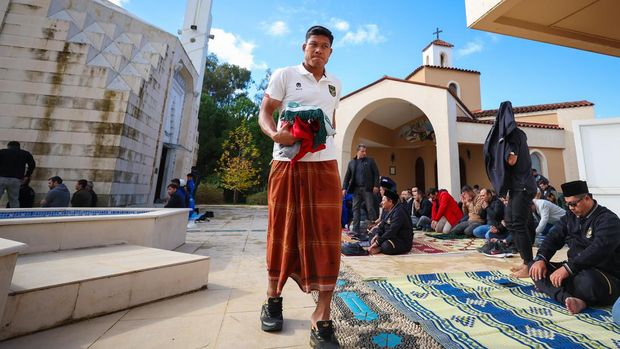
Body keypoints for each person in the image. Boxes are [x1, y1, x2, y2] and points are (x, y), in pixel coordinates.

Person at [257, 25, 341, 348]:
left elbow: (333, 121)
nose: (318, 50)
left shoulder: (336, 84)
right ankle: (272, 298)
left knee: (328, 237)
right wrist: (275, 134)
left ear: (330, 52)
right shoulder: (284, 75)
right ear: (303, 47)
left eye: (324, 46)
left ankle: (322, 317)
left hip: (324, 167)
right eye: (313, 45)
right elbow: (265, 112)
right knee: (281, 232)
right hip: (286, 164)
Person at [529, 180, 620, 315]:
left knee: (587, 283)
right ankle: (568, 298)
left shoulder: (608, 219)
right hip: (574, 270)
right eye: (568, 204)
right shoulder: (570, 217)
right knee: (535, 268)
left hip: (602, 274)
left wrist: (568, 268)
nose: (571, 208)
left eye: (573, 204)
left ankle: (558, 291)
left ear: (587, 198)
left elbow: (598, 249)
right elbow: (553, 237)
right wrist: (541, 258)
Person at [484, 101, 538, 278]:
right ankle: (526, 261)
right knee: (516, 222)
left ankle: (529, 264)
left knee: (516, 223)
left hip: (522, 186)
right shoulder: (515, 134)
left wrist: (499, 158)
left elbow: (512, 159)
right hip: (519, 186)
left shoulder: (513, 134)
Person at [342, 144, 380, 234]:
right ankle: (355, 230)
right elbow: (347, 177)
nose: (364, 153)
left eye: (365, 151)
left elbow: (376, 174)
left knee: (370, 208)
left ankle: (374, 228)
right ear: (358, 151)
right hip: (356, 189)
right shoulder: (352, 163)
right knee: (355, 209)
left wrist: (376, 185)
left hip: (367, 189)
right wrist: (344, 188)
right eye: (362, 151)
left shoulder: (370, 161)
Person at [368, 190, 413, 256]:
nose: (381, 202)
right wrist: (377, 235)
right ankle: (378, 246)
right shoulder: (389, 210)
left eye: (383, 200)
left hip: (401, 241)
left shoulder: (399, 212)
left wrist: (378, 242)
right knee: (372, 233)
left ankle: (379, 248)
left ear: (390, 202)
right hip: (390, 237)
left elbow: (392, 231)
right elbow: (382, 225)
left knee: (386, 246)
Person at [0, 141, 36, 208]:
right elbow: (32, 165)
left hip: (2, 178)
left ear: (8, 146)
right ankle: (15, 215)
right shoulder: (25, 153)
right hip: (16, 179)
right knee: (14, 200)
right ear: (19, 147)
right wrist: (27, 175)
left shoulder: (2, 152)